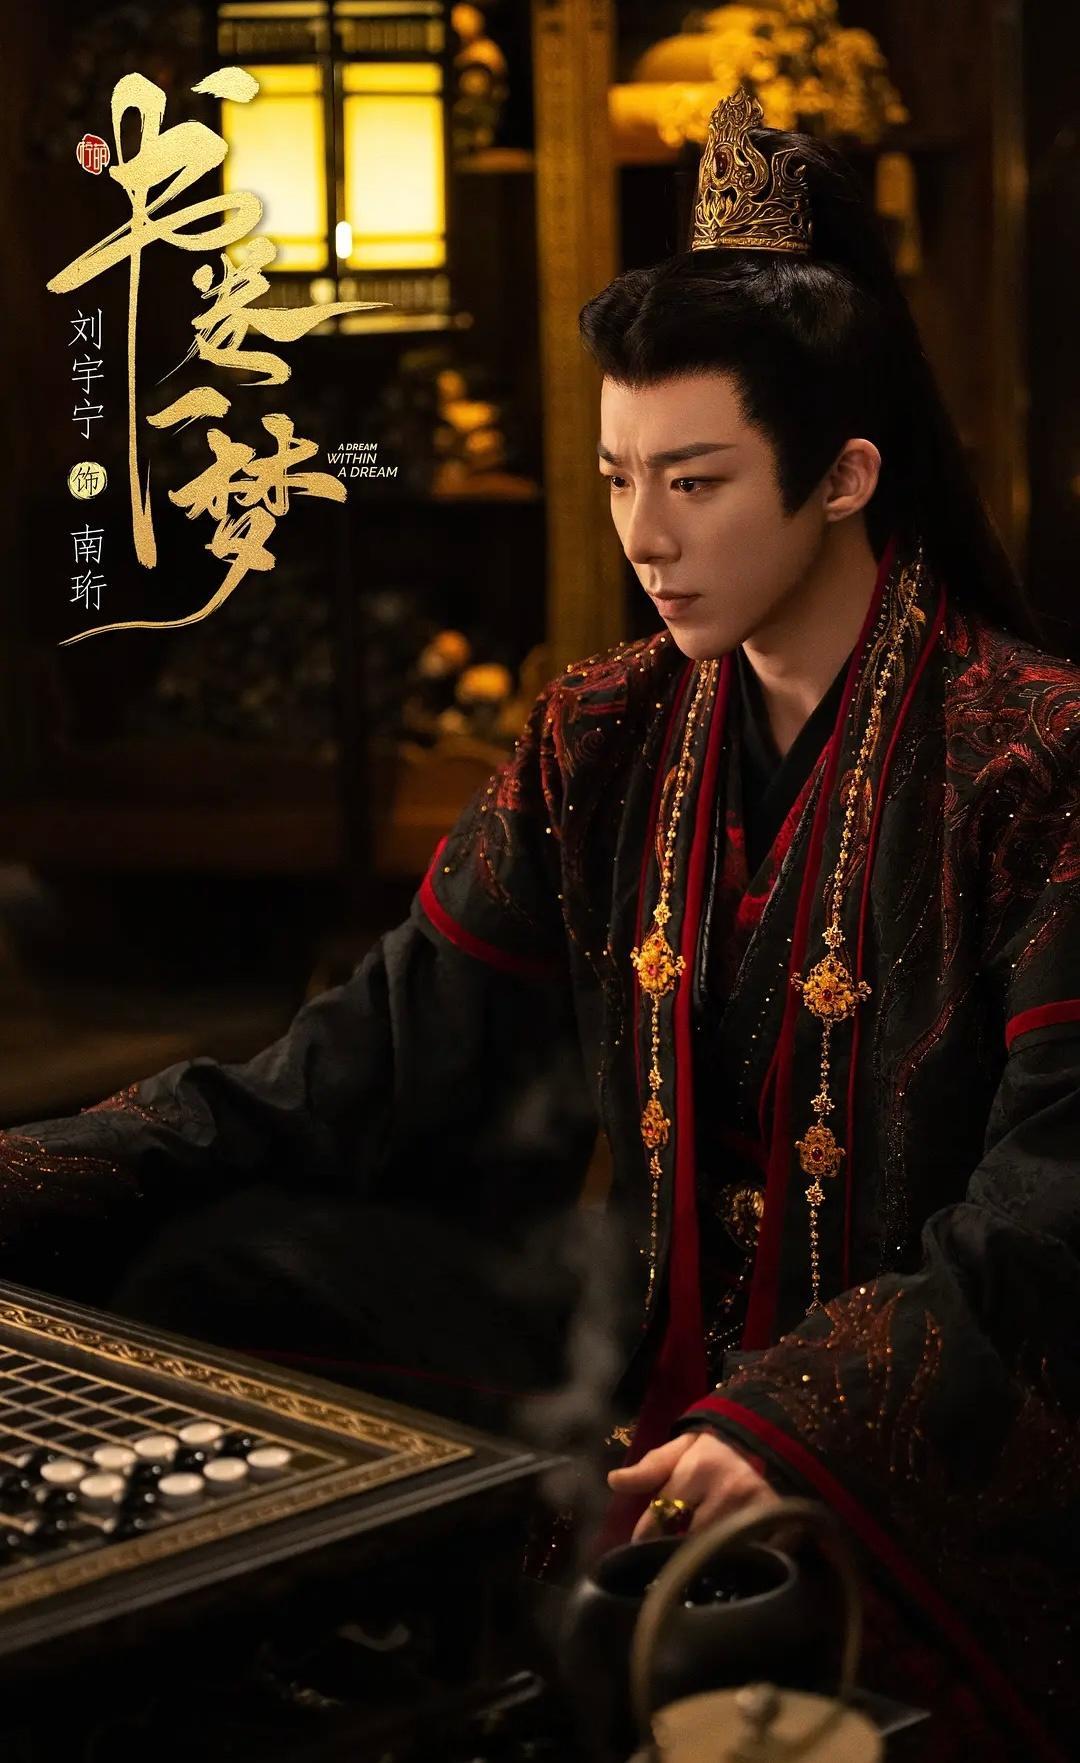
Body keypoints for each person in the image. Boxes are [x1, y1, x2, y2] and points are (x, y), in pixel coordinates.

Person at [1, 88, 1076, 1759]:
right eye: (618, 478)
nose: (645, 537)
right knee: (199, 1267)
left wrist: (799, 1424)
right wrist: (37, 1172)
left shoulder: (1031, 757)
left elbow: (1051, 1195)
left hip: (915, 1425)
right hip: (637, 1362)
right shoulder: (605, 734)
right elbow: (356, 1068)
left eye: (697, 481)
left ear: (846, 475)